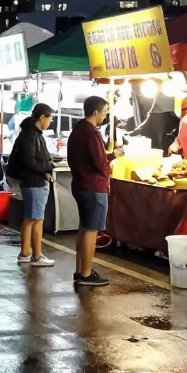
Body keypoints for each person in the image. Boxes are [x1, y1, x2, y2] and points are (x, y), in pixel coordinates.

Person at [66, 95, 123, 288]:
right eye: (105, 112)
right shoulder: (92, 133)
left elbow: (90, 159)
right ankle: (86, 274)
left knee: (84, 228)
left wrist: (109, 157)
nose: (105, 115)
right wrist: (110, 163)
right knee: (92, 230)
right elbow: (99, 163)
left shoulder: (78, 130)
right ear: (96, 112)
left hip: (80, 185)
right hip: (94, 187)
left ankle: (80, 269)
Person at [8, 103, 56, 267]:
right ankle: (36, 255)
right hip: (34, 182)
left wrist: (45, 170)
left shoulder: (30, 133)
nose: (50, 122)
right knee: (36, 219)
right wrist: (48, 168)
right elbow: (29, 161)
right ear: (42, 117)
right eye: (50, 118)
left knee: (31, 218)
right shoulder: (31, 135)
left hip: (33, 182)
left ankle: (26, 253)